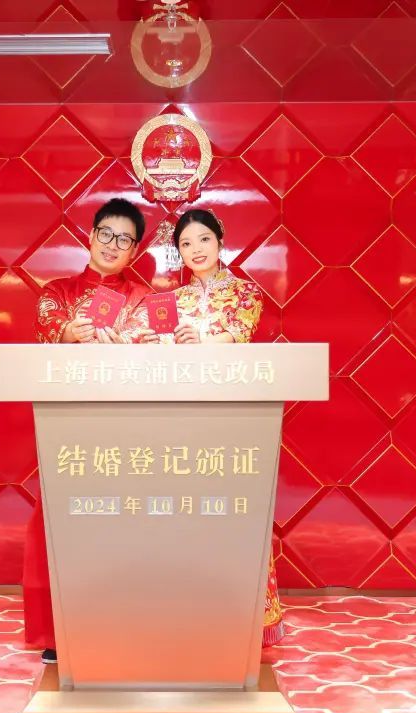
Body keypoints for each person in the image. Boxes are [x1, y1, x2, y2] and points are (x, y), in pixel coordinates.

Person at [27, 197, 154, 663]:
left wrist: (131, 347)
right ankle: (58, 632)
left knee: (124, 524)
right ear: (90, 235)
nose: (112, 245)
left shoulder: (144, 299)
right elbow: (45, 330)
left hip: (126, 428)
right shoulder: (56, 293)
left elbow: (153, 351)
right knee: (63, 524)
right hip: (69, 428)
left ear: (134, 250)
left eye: (124, 239)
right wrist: (68, 335)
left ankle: (125, 626)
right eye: (106, 233)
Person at [153, 208, 285, 645]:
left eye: (203, 239)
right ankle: (191, 616)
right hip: (182, 418)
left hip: (232, 418)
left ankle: (242, 622)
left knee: (236, 514)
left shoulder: (246, 293)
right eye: (186, 244)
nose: (196, 250)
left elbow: (237, 338)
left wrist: (201, 342)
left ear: (220, 241)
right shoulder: (170, 301)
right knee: (186, 514)